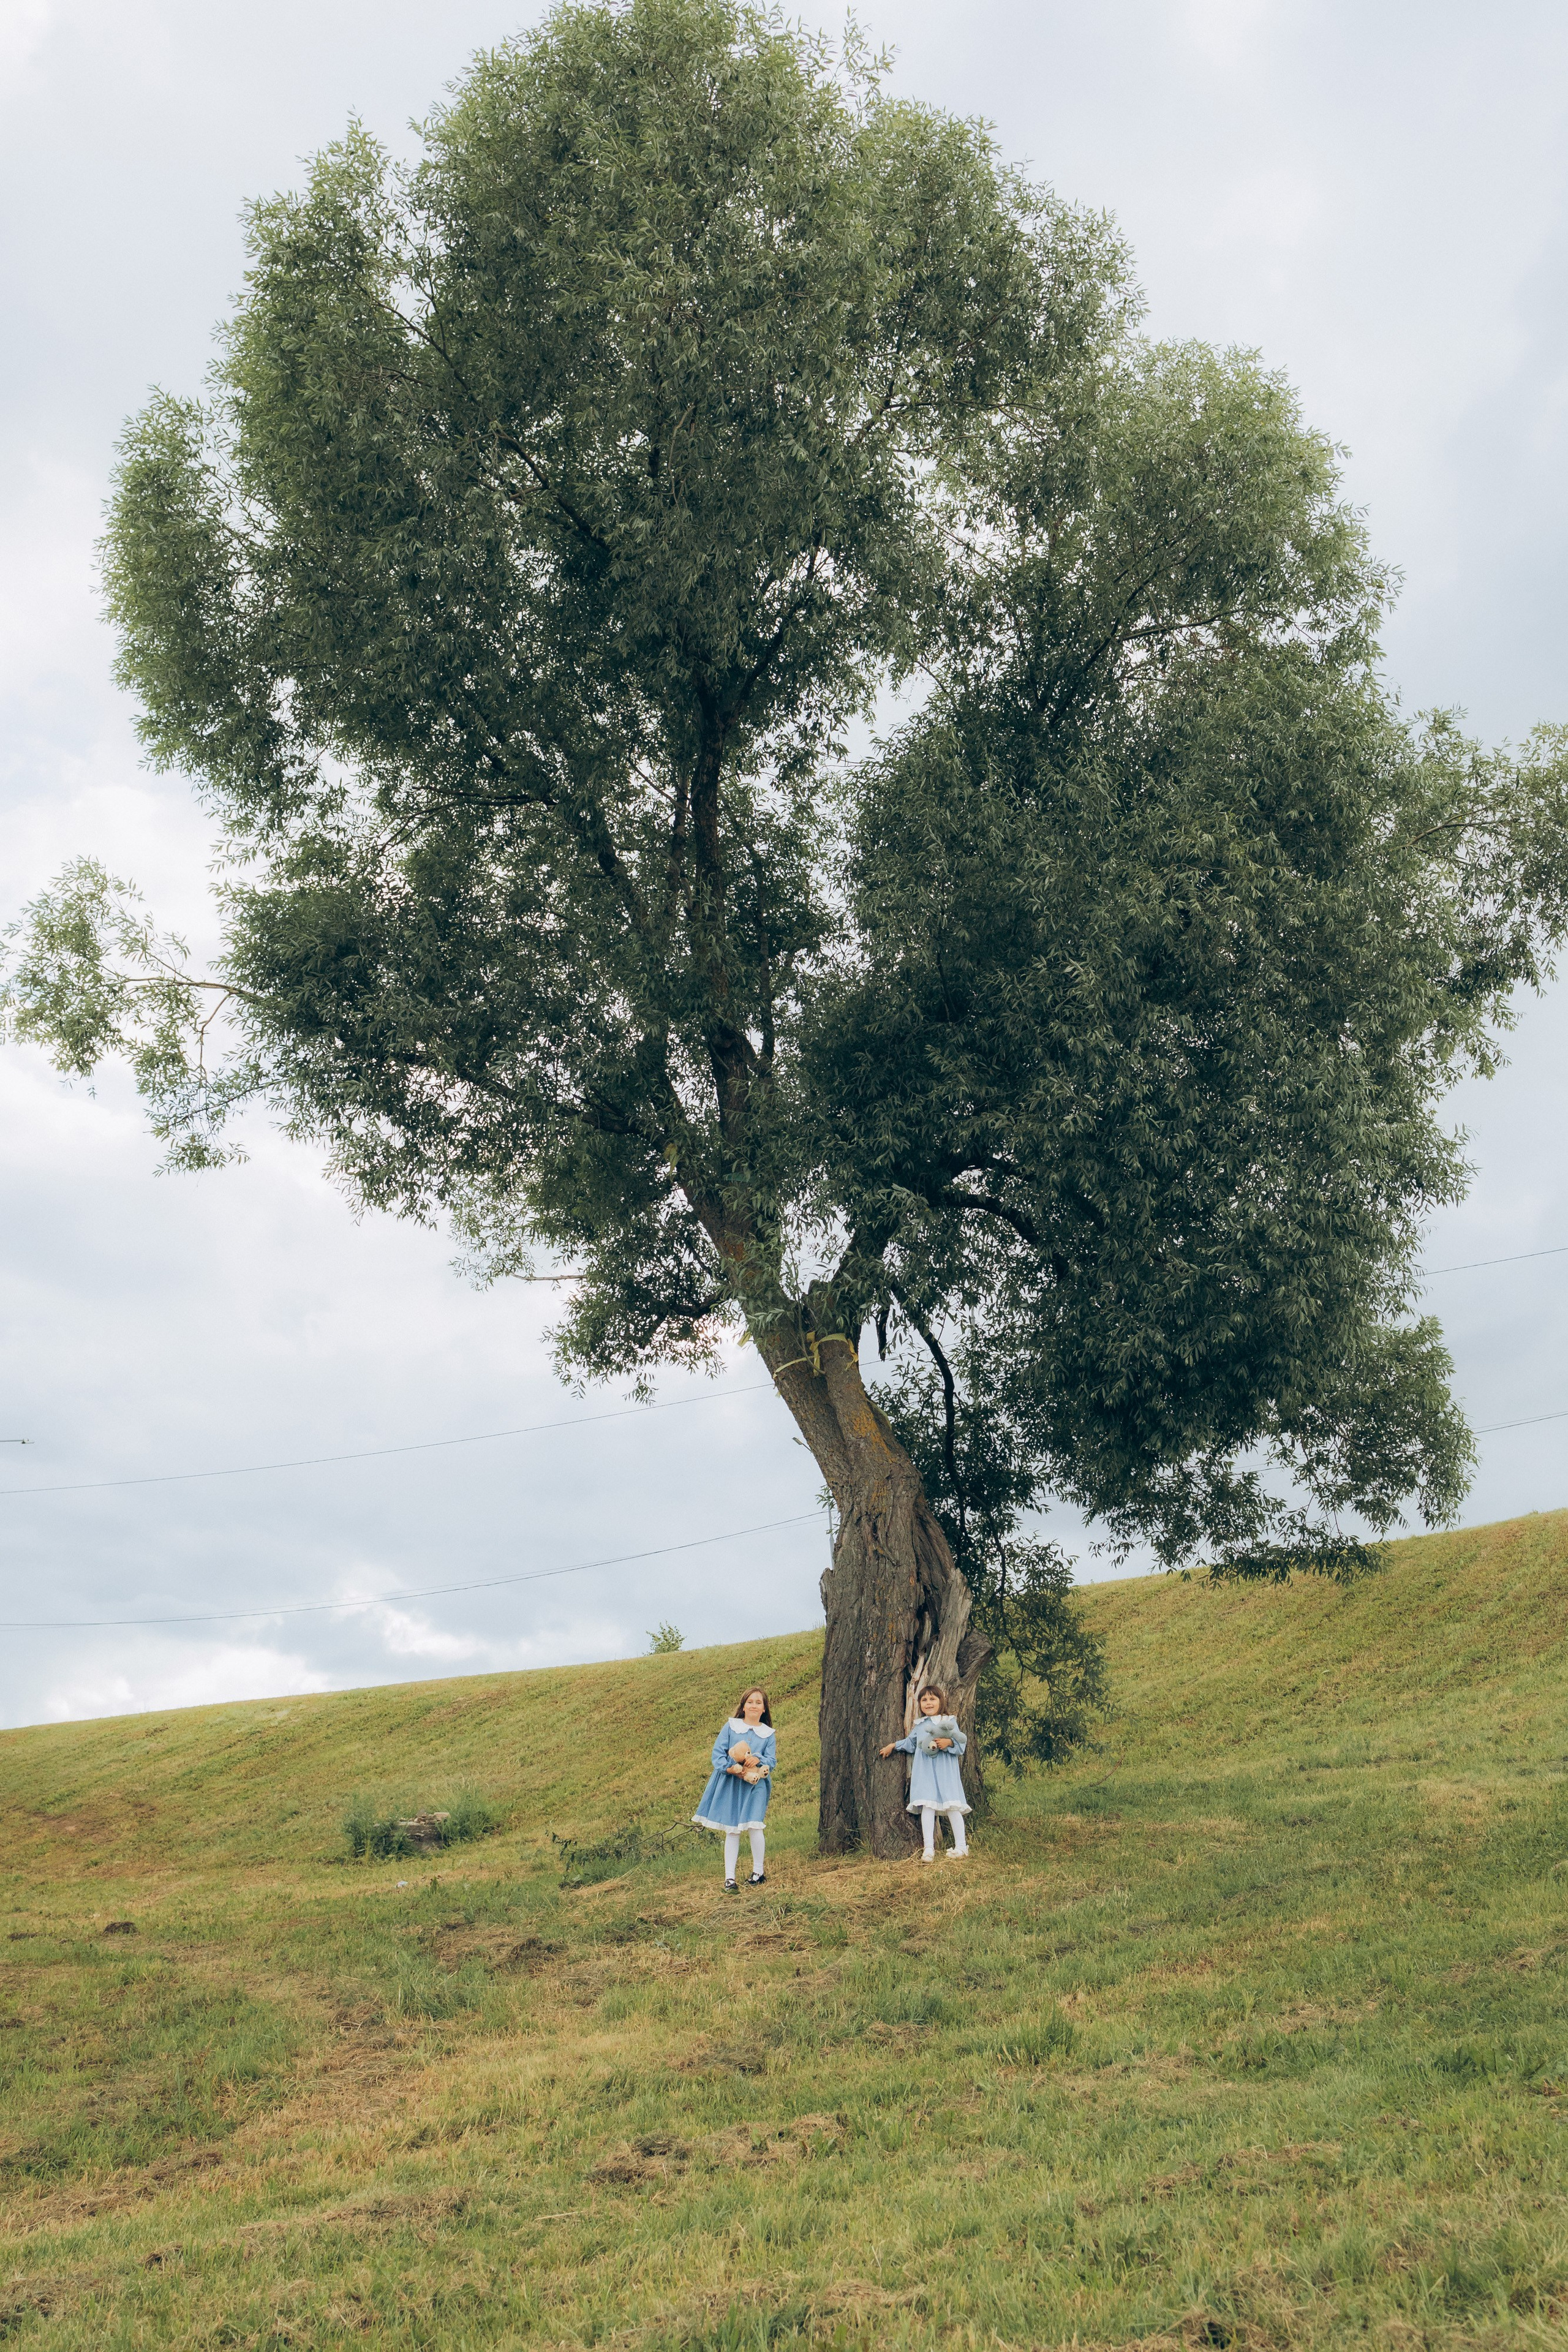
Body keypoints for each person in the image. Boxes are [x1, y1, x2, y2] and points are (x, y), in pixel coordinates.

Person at [693, 1684, 775, 1890]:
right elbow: (718, 1755)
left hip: (757, 1784)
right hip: (732, 1783)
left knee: (755, 1825)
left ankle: (759, 1872)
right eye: (750, 1702)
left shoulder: (768, 1733)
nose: (754, 1706)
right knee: (733, 1830)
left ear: (764, 1709)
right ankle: (729, 1878)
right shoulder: (731, 1727)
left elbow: (772, 1760)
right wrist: (732, 1768)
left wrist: (759, 1758)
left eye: (759, 1702)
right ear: (744, 1706)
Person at [880, 1686, 970, 1861]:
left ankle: (961, 1846)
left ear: (941, 1701)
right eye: (924, 1700)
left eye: (932, 1699)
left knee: (952, 1806)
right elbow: (911, 1743)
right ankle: (929, 1849)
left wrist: (949, 1743)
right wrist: (893, 1746)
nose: (928, 1703)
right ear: (920, 1704)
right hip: (926, 1773)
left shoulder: (949, 1721)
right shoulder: (920, 1725)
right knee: (927, 1807)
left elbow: (961, 1744)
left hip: (946, 1772)